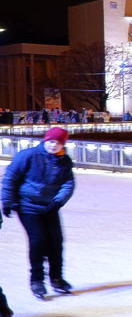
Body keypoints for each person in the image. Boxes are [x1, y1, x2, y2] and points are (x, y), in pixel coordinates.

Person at [2, 126, 76, 300]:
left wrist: (58, 201)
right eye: (51, 141)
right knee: (38, 240)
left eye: (57, 143)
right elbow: (10, 177)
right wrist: (7, 201)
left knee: (56, 241)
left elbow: (68, 184)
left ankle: (56, 278)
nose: (53, 146)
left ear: (62, 145)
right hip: (27, 205)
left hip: (49, 206)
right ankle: (37, 280)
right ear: (45, 140)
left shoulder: (64, 161)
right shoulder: (28, 156)